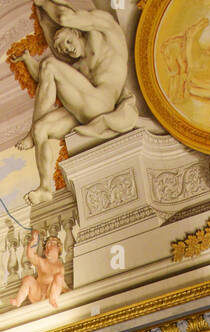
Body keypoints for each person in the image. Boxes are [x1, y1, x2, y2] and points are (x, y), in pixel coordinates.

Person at [12, 0, 136, 204]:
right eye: (63, 49)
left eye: (68, 42)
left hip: (102, 102)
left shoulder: (106, 29)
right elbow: (44, 80)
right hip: (87, 107)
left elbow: (64, 17)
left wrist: (43, 3)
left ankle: (30, 133)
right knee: (42, 129)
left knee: (50, 65)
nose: (68, 50)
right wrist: (27, 59)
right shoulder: (79, 68)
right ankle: (44, 186)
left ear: (77, 31)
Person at [10, 233, 66, 310]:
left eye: (52, 244)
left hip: (50, 294)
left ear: (58, 247)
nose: (48, 247)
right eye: (47, 245)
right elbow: (30, 255)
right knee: (28, 279)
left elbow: (61, 284)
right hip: (38, 294)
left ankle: (53, 299)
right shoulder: (42, 262)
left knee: (59, 277)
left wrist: (69, 291)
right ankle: (18, 301)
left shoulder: (60, 267)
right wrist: (34, 240)